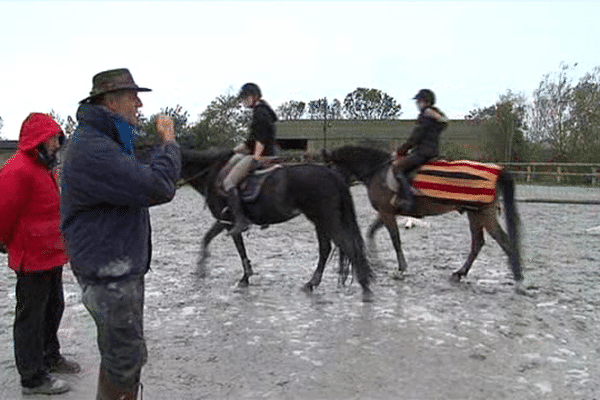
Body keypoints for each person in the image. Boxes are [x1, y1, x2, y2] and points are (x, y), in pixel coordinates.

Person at [60, 68, 181, 399]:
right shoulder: (94, 149)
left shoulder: (106, 142)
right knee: (125, 360)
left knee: (120, 358)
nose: (139, 103)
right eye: (132, 96)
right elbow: (158, 186)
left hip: (115, 269)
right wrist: (169, 142)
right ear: (110, 103)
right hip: (109, 275)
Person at [0, 113, 81, 396]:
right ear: (38, 141)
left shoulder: (46, 168)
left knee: (53, 308)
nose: (56, 144)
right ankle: (32, 378)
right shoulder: (18, 170)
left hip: (51, 253)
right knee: (30, 318)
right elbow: (3, 213)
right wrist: (4, 242)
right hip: (31, 257)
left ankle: (50, 356)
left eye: (58, 138)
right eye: (51, 138)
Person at [222, 82, 278, 236]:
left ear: (252, 97)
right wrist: (231, 151)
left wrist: (256, 158)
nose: (243, 102)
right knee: (234, 160)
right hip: (269, 152)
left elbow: (260, 140)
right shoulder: (265, 111)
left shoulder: (259, 112)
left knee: (229, 182)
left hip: (263, 155)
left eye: (244, 99)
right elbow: (249, 143)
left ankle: (241, 220)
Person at [391, 89, 448, 211]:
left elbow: (415, 138)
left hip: (422, 153)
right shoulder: (436, 117)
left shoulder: (425, 117)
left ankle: (408, 200)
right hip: (433, 152)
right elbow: (444, 121)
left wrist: (399, 152)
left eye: (418, 101)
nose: (417, 104)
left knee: (397, 169)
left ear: (424, 101)